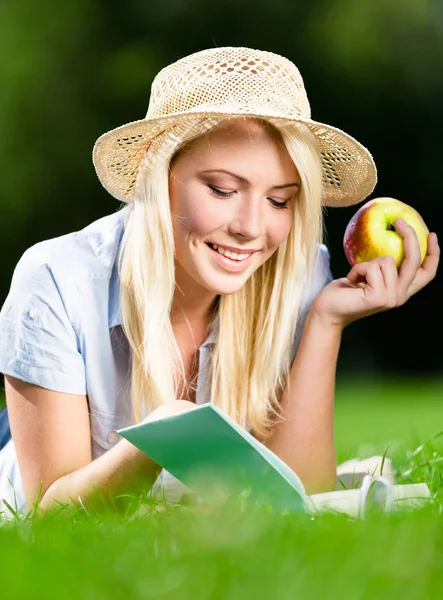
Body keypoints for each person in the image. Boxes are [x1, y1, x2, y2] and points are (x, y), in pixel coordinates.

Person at [0, 47, 439, 516]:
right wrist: (158, 440)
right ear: (158, 171)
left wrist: (326, 322)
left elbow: (305, 501)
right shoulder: (56, 280)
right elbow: (50, 518)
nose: (252, 227)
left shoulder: (298, 270)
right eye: (223, 190)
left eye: (279, 200)